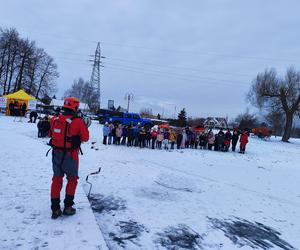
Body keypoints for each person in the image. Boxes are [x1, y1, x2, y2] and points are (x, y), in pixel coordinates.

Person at [49, 97, 89, 219]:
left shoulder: (55, 119)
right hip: (70, 155)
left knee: (57, 179)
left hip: (56, 153)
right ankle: (68, 207)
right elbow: (86, 137)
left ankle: (55, 209)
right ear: (75, 107)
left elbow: (50, 134)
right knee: (72, 179)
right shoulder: (78, 121)